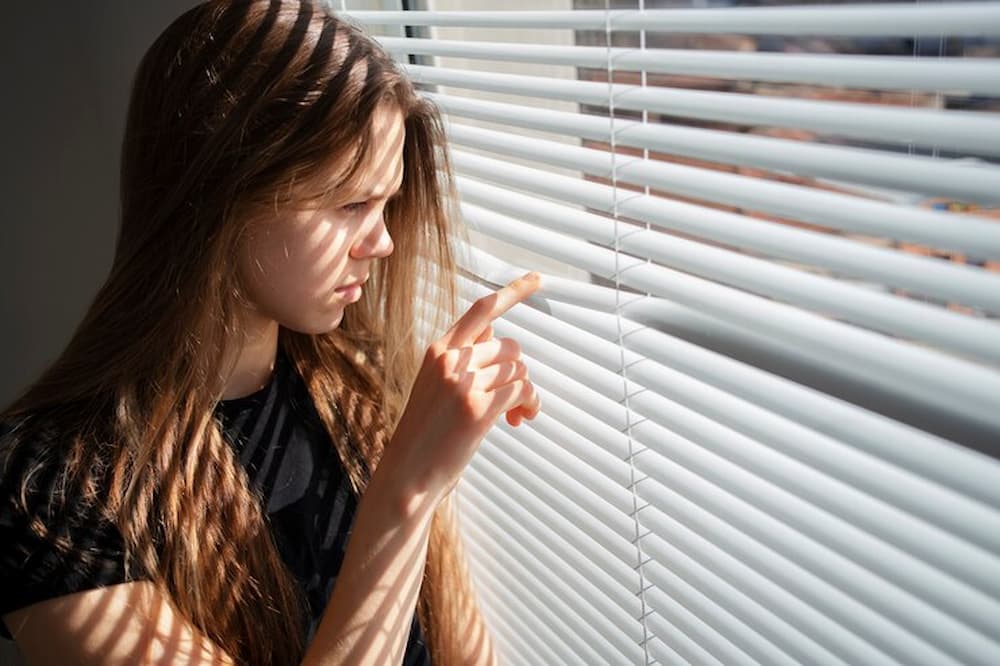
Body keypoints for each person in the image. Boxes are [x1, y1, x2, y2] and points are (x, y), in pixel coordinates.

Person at [0, 1, 542, 664]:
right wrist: (406, 491)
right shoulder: (49, 489)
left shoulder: (355, 381)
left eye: (386, 202)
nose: (384, 243)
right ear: (224, 196)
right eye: (351, 205)